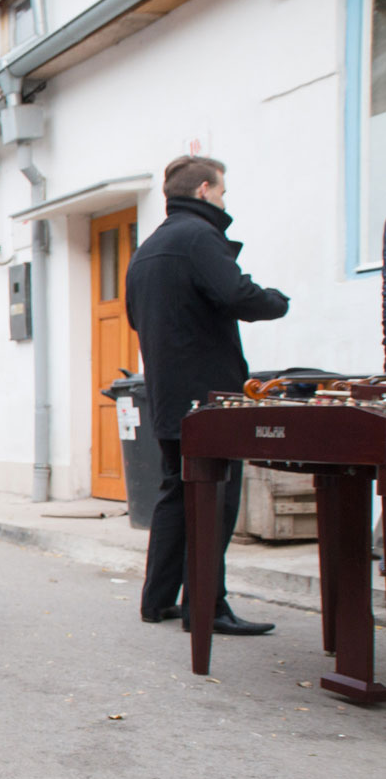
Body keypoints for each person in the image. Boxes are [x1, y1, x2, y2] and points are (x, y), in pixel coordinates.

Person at [126, 154, 288, 635]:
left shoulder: (148, 248)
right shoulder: (199, 237)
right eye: (221, 191)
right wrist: (277, 301)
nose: (223, 198)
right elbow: (236, 294)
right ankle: (207, 607)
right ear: (203, 190)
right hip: (209, 398)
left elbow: (135, 317)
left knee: (176, 493)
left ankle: (158, 600)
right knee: (216, 498)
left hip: (166, 394)